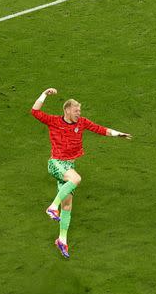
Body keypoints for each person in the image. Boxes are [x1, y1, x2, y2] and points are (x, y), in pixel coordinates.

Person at [31, 88, 132, 258]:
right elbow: (35, 111)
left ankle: (62, 240)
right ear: (67, 110)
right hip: (56, 163)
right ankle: (51, 207)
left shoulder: (82, 123)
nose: (79, 113)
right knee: (76, 178)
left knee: (68, 205)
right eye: (76, 110)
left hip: (68, 167)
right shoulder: (54, 121)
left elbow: (100, 129)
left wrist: (118, 134)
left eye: (80, 111)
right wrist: (44, 94)